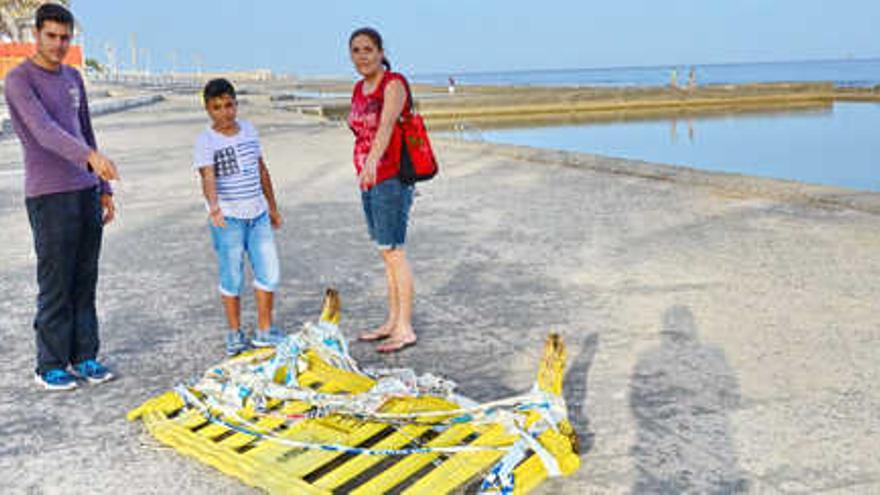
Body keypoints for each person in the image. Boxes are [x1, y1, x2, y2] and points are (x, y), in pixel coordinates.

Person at [4, 3, 119, 390]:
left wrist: (103, 188)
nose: (58, 44)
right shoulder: (19, 81)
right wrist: (90, 158)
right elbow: (43, 130)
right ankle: (49, 364)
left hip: (85, 192)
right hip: (49, 196)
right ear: (36, 34)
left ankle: (85, 356)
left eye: (65, 37)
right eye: (51, 36)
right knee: (56, 282)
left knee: (85, 281)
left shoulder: (73, 78)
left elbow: (85, 130)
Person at [193, 78, 284, 355]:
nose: (225, 112)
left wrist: (272, 205)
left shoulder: (249, 131)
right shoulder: (206, 141)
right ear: (208, 109)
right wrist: (214, 208)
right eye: (217, 107)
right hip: (228, 218)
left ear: (236, 103)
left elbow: (261, 168)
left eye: (229, 105)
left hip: (257, 214)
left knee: (269, 272)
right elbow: (207, 176)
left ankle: (264, 330)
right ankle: (234, 334)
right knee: (231, 276)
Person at [347, 27, 418, 353]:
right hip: (368, 178)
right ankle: (392, 320)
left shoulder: (394, 84)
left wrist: (373, 163)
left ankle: (405, 327)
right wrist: (365, 169)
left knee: (395, 251)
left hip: (390, 177)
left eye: (368, 49)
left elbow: (387, 125)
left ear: (380, 51)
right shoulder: (359, 89)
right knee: (384, 252)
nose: (362, 56)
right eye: (356, 50)